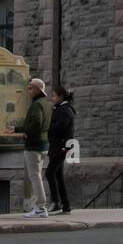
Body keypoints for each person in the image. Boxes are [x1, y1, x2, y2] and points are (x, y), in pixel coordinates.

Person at [6, 77, 51, 217]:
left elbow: (37, 123)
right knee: (37, 176)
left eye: (31, 87)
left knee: (35, 176)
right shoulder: (46, 103)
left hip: (34, 145)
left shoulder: (37, 105)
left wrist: (25, 132)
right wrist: (19, 129)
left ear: (38, 89)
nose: (28, 90)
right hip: (43, 144)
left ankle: (41, 208)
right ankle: (41, 207)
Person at [45, 86, 76, 214]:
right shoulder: (61, 108)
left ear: (61, 97)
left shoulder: (64, 110)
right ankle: (66, 205)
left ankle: (56, 203)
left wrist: (48, 126)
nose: (52, 98)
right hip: (58, 146)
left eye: (54, 96)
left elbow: (60, 127)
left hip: (61, 147)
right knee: (58, 176)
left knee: (49, 173)